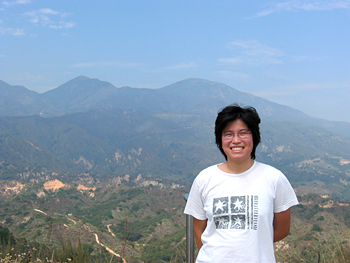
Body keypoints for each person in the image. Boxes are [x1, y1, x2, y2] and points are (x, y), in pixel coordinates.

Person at [184, 104, 299, 262]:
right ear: (220, 139)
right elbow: (200, 233)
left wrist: (250, 245)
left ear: (254, 137)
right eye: (228, 134)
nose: (236, 140)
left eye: (243, 133)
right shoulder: (204, 179)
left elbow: (282, 230)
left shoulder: (274, 178)